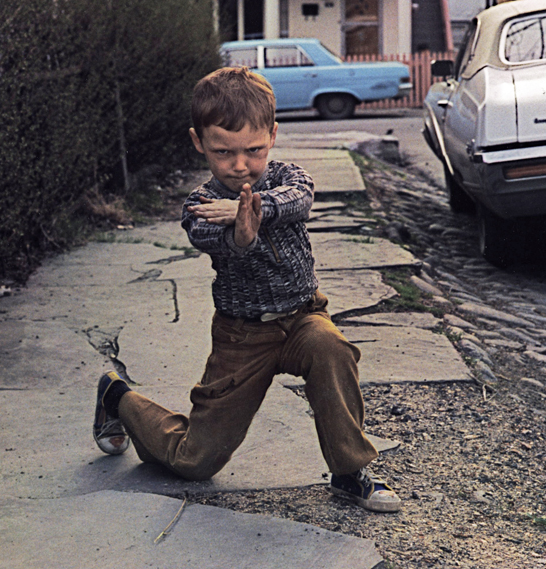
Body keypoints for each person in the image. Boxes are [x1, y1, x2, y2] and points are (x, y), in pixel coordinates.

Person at [91, 66, 401, 513]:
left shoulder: (286, 179)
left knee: (330, 347)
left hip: (301, 318)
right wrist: (242, 233)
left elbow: (301, 199)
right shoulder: (199, 205)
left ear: (272, 135)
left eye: (253, 150)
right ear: (199, 142)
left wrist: (257, 209)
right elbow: (214, 239)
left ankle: (350, 472)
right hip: (242, 337)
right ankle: (117, 397)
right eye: (223, 152)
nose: (240, 165)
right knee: (195, 462)